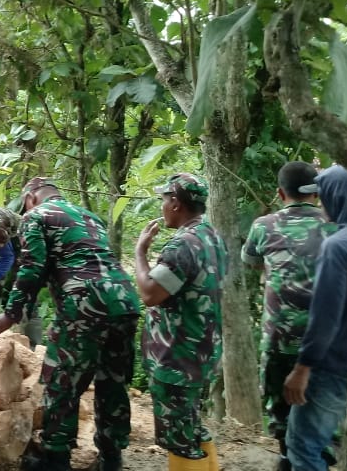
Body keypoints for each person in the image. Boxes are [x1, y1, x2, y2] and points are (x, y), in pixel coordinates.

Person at [0, 178, 141, 471]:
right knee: (113, 382)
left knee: (62, 381)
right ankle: (111, 458)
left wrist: (11, 313)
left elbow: (32, 266)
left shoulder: (36, 216)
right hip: (125, 300)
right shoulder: (90, 217)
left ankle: (56, 459)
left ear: (30, 198)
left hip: (83, 302)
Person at [241, 162, 333, 470]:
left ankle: (286, 455)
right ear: (317, 193)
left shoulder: (263, 226)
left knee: (280, 406)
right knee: (321, 410)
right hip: (326, 340)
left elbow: (252, 262)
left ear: (280, 193)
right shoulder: (335, 225)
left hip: (280, 338)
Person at [134, 173, 226, 471]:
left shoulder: (183, 245)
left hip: (178, 358)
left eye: (164, 199)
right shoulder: (211, 235)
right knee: (192, 425)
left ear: (175, 203)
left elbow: (150, 293)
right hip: (202, 351)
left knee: (179, 437)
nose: (162, 206)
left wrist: (140, 251)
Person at [283, 165, 347, 471]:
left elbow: (326, 314)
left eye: (323, 195)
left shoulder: (339, 246)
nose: (320, 203)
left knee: (303, 446)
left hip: (334, 363)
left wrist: (303, 368)